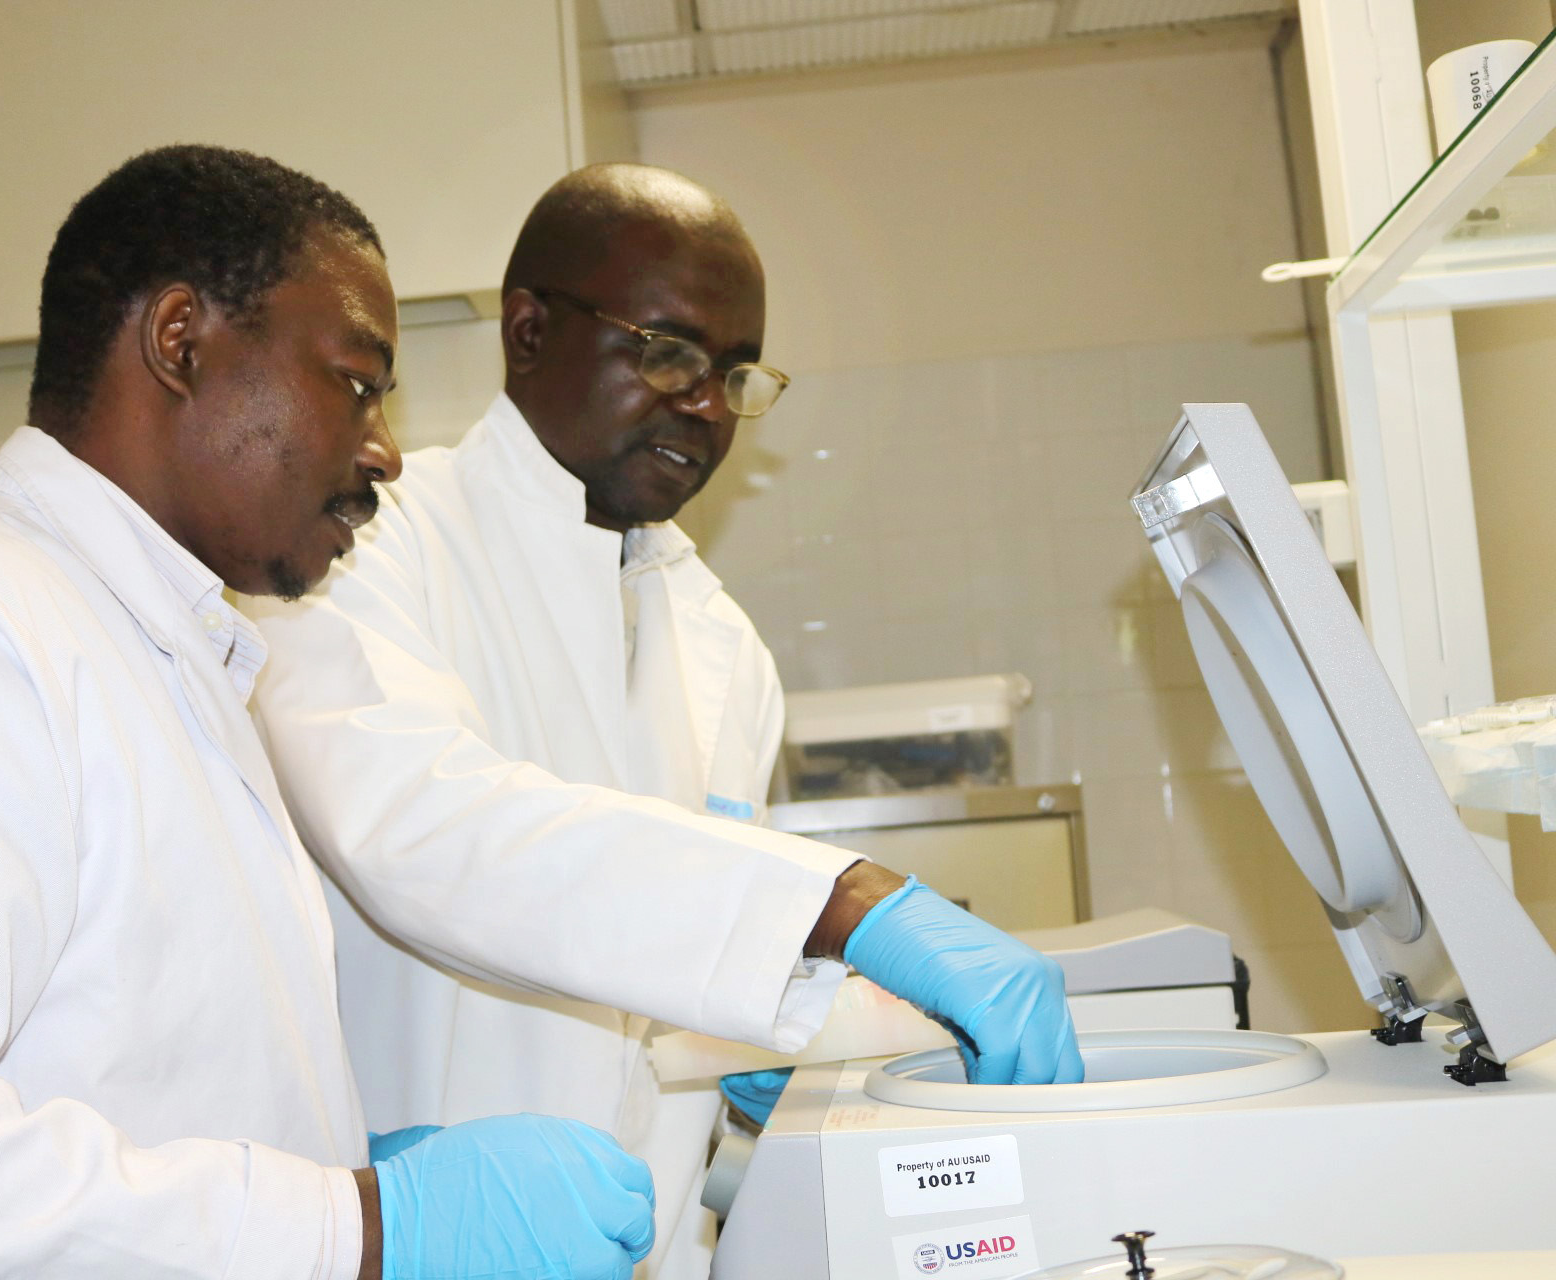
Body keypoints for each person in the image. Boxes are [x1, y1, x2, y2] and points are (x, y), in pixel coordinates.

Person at [0, 146, 672, 1280]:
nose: (383, 447)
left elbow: (128, 1082)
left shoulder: (167, 655)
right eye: (357, 380)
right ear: (181, 340)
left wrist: (334, 1157)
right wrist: (366, 1226)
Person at [248, 164, 1084, 1280]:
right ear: (531, 330)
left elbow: (678, 937)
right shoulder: (367, 546)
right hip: (427, 1241)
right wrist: (834, 901)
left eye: (735, 374)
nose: (704, 401)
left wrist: (785, 1036)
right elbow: (427, 828)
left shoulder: (723, 644)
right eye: (670, 352)